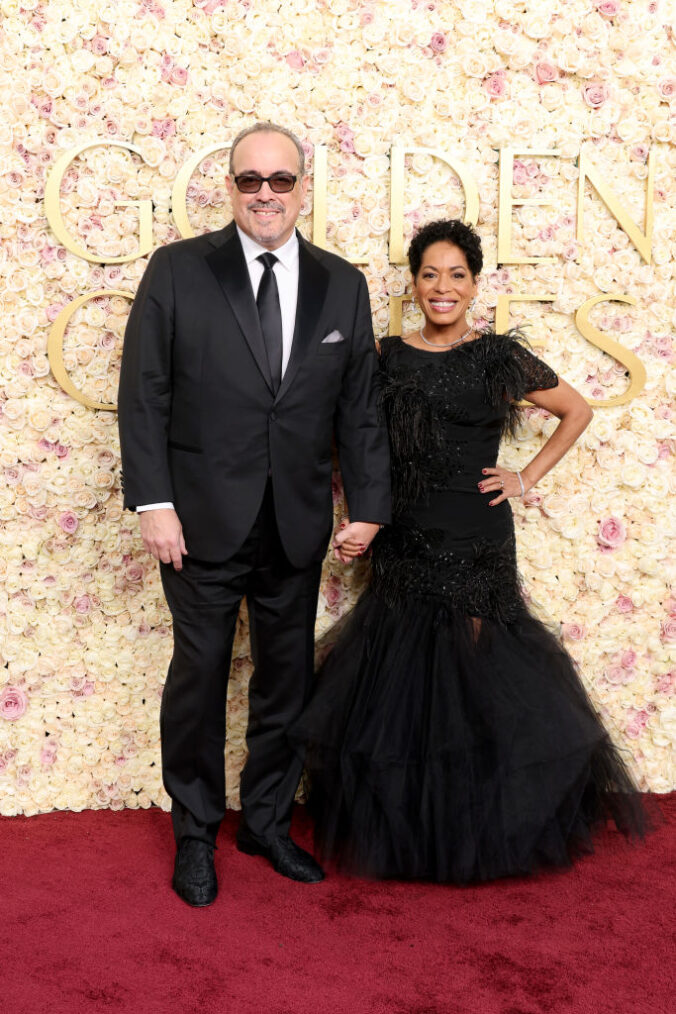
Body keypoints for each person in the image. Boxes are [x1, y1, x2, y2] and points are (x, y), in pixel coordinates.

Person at [293, 219, 648, 882]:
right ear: (414, 284)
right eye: (430, 275)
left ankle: (476, 827)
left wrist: (525, 478)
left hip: (478, 540)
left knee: (477, 681)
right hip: (405, 538)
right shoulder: (387, 358)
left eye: (457, 275)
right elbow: (355, 437)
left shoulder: (496, 359)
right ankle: (414, 830)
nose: (443, 287)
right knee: (404, 687)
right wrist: (360, 514)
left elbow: (577, 410)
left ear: (475, 284)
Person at [117, 123, 390, 906]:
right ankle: (195, 834)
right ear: (230, 187)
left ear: (304, 188)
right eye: (249, 180)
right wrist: (154, 501)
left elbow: (359, 410)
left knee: (285, 685)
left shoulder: (344, 284)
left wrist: (368, 505)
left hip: (298, 522)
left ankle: (267, 823)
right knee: (198, 681)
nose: (264, 193)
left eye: (280, 179)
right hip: (197, 523)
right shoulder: (178, 270)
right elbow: (146, 393)